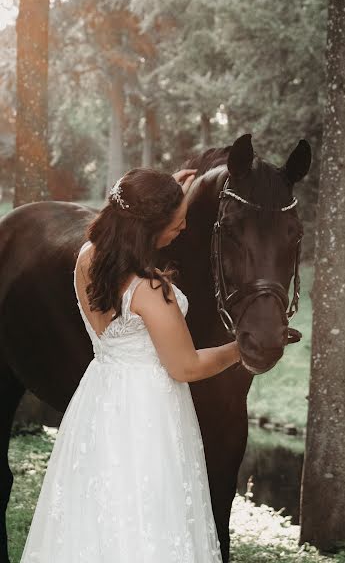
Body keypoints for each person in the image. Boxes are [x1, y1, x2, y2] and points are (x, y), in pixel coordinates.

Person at [20, 167, 241, 563]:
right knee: (149, 514)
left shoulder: (90, 257)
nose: (183, 228)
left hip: (100, 403)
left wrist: (164, 194)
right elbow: (186, 367)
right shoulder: (151, 291)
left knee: (98, 512)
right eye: (177, 222)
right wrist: (240, 349)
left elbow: (128, 215)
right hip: (149, 415)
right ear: (146, 228)